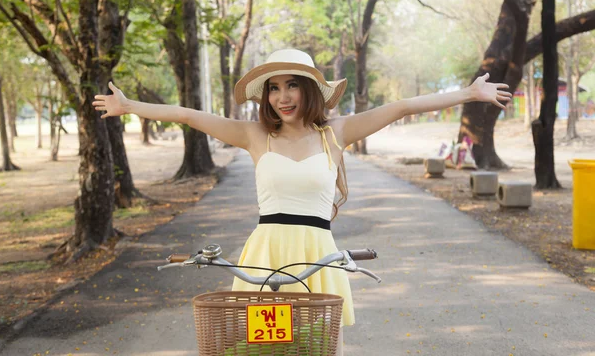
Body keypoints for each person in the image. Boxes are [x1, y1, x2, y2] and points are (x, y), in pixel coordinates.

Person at [92, 48, 511, 354]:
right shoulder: (254, 135)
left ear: (310, 89)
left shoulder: (336, 133)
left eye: (292, 85)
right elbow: (187, 115)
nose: (283, 96)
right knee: (264, 348)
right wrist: (130, 106)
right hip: (265, 253)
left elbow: (401, 107)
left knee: (320, 348)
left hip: (318, 255)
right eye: (274, 88)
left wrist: (469, 94)